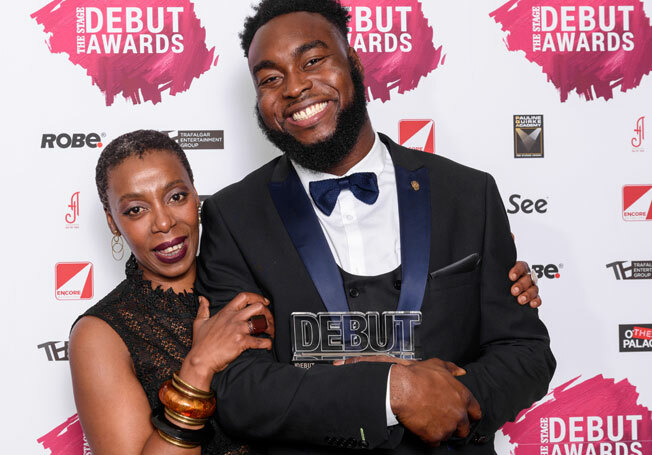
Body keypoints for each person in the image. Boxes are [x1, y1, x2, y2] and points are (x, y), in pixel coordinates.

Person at [195, 1, 556, 454]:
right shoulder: (233, 216)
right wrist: (394, 393)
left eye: (312, 61)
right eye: (270, 78)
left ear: (355, 62)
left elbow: (525, 353)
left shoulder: (468, 194)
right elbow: (241, 388)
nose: (295, 87)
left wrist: (452, 401)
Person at [69, 130, 276, 455]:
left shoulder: (257, 280)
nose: (164, 222)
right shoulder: (101, 334)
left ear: (196, 195)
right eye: (136, 209)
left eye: (176, 196)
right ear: (112, 222)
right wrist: (199, 365)